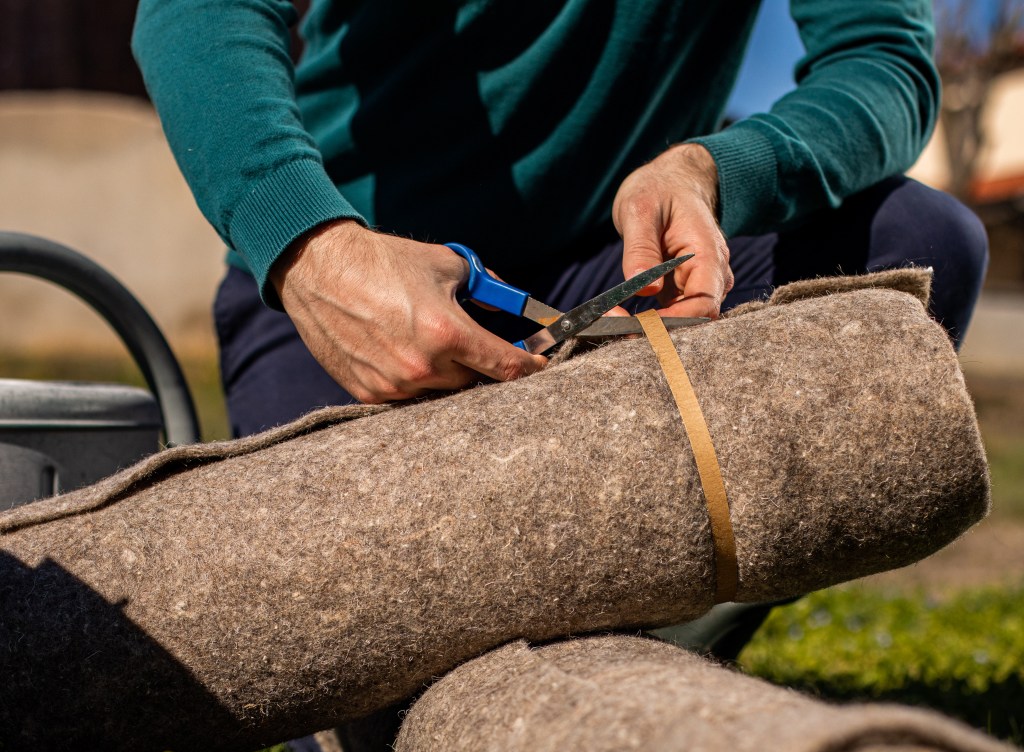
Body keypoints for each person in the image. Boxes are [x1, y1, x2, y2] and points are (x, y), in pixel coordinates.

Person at [133, 0, 988, 662]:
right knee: (346, 647)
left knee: (910, 262)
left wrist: (713, 169)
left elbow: (884, 59)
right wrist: (310, 246)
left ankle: (667, 637)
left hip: (615, 271)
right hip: (359, 270)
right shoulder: (329, 261)